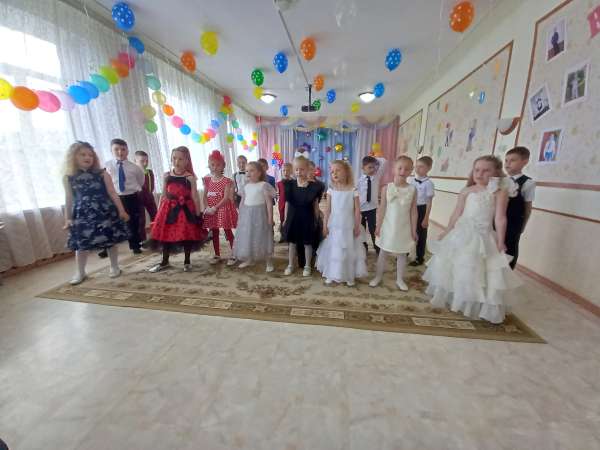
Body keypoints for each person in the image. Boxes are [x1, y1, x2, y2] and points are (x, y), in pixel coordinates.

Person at [423, 155, 521, 324]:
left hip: (483, 236)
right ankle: (458, 298)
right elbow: (457, 213)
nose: (480, 174)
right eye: (477, 170)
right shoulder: (467, 191)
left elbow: (500, 218)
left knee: (476, 270)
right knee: (458, 267)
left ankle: (473, 303)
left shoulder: (499, 192)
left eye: (486, 170)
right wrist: (447, 230)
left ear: (496, 172)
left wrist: (501, 241)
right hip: (461, 234)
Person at [62, 141, 130, 285]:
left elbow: (113, 193)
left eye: (90, 155)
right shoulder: (68, 178)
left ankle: (114, 266)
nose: (87, 157)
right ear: (73, 157)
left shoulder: (102, 173)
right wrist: (67, 218)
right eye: (83, 154)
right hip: (82, 215)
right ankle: (80, 272)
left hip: (104, 212)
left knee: (110, 240)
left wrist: (122, 210)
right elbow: (69, 199)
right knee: (81, 244)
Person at [148, 147, 207, 272]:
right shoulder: (167, 175)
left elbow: (195, 197)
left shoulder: (190, 177)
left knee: (186, 234)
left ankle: (187, 261)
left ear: (186, 161)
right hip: (168, 209)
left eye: (180, 159)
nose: (177, 161)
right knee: (166, 235)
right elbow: (163, 195)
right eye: (174, 158)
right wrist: (158, 213)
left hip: (185, 210)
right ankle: (164, 261)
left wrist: (198, 214)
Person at [369, 156, 417, 291]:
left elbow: (414, 212)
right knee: (383, 251)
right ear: (394, 169)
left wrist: (414, 230)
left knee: (402, 253)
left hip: (404, 227)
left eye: (407, 169)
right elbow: (382, 209)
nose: (403, 171)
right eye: (400, 168)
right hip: (388, 225)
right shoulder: (386, 188)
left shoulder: (413, 189)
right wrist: (378, 226)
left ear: (411, 171)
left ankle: (400, 279)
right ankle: (378, 276)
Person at [316, 161, 367, 286]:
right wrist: (325, 225)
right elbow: (328, 210)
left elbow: (357, 210)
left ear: (346, 172)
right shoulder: (331, 190)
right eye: (332, 172)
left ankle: (348, 275)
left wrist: (357, 225)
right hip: (335, 224)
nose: (334, 173)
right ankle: (331, 273)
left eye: (338, 170)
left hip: (348, 224)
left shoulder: (353, 190)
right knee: (334, 248)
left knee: (348, 248)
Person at [101, 138, 144, 256]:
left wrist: (132, 190)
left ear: (127, 151)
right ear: (111, 151)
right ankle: (107, 247)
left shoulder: (135, 167)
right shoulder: (106, 166)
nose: (120, 152)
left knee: (133, 222)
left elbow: (140, 181)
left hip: (131, 197)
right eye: (116, 149)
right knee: (110, 223)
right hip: (114, 198)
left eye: (123, 149)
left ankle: (135, 245)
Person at [281, 157, 323, 276]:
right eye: (297, 169)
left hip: (307, 217)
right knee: (292, 243)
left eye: (302, 169)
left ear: (308, 169)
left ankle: (307, 265)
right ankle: (290, 264)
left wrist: (316, 219)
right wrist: (285, 219)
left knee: (307, 242)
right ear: (293, 170)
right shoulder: (290, 185)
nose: (299, 172)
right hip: (293, 217)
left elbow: (315, 205)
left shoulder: (313, 187)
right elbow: (287, 203)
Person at [232, 161, 276, 272]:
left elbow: (269, 203)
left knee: (262, 236)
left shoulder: (264, 185)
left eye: (251, 170)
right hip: (247, 215)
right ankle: (250, 259)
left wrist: (270, 218)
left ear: (259, 173)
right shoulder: (246, 186)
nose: (248, 173)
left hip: (260, 214)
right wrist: (240, 214)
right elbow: (242, 202)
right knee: (249, 235)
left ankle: (268, 261)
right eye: (247, 171)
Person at [203, 150, 238, 265]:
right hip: (211, 210)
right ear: (209, 165)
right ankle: (217, 254)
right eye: (212, 164)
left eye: (218, 165)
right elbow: (205, 196)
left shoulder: (227, 181)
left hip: (222, 208)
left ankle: (234, 254)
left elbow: (226, 198)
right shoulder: (207, 180)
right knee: (214, 232)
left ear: (223, 166)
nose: (215, 167)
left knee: (227, 231)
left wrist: (215, 208)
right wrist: (207, 207)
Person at [504, 146, 536, 270]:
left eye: (512, 160)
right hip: (497, 221)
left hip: (513, 224)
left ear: (524, 162)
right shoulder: (501, 180)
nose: (507, 164)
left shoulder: (528, 183)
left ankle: (507, 272)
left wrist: (522, 226)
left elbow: (527, 208)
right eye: (506, 160)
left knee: (510, 248)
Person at [357, 155, 386, 255]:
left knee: (373, 228)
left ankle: (377, 247)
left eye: (374, 167)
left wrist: (374, 158)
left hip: (372, 208)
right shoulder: (359, 180)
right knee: (362, 229)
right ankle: (363, 247)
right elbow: (356, 195)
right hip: (361, 209)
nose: (372, 169)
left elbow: (384, 161)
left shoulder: (376, 177)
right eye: (369, 167)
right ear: (363, 168)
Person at [408, 156, 435, 266]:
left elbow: (429, 202)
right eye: (416, 166)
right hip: (411, 208)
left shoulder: (429, 183)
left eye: (421, 167)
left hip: (422, 209)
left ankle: (420, 257)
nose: (417, 169)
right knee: (408, 230)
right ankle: (405, 251)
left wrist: (426, 218)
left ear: (429, 168)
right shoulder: (411, 181)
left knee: (421, 234)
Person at [134, 150, 157, 243]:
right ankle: (142, 240)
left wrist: (149, 193)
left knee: (155, 215)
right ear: (135, 161)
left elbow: (152, 185)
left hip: (149, 196)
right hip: (138, 198)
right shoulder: (134, 172)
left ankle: (157, 235)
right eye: (142, 161)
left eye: (146, 161)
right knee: (141, 219)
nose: (145, 163)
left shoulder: (149, 172)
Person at [277, 162, 293, 226]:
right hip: (281, 203)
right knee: (282, 218)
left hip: (291, 203)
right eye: (284, 170)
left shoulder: (294, 182)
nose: (285, 172)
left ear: (291, 171)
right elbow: (279, 194)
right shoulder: (279, 183)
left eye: (288, 170)